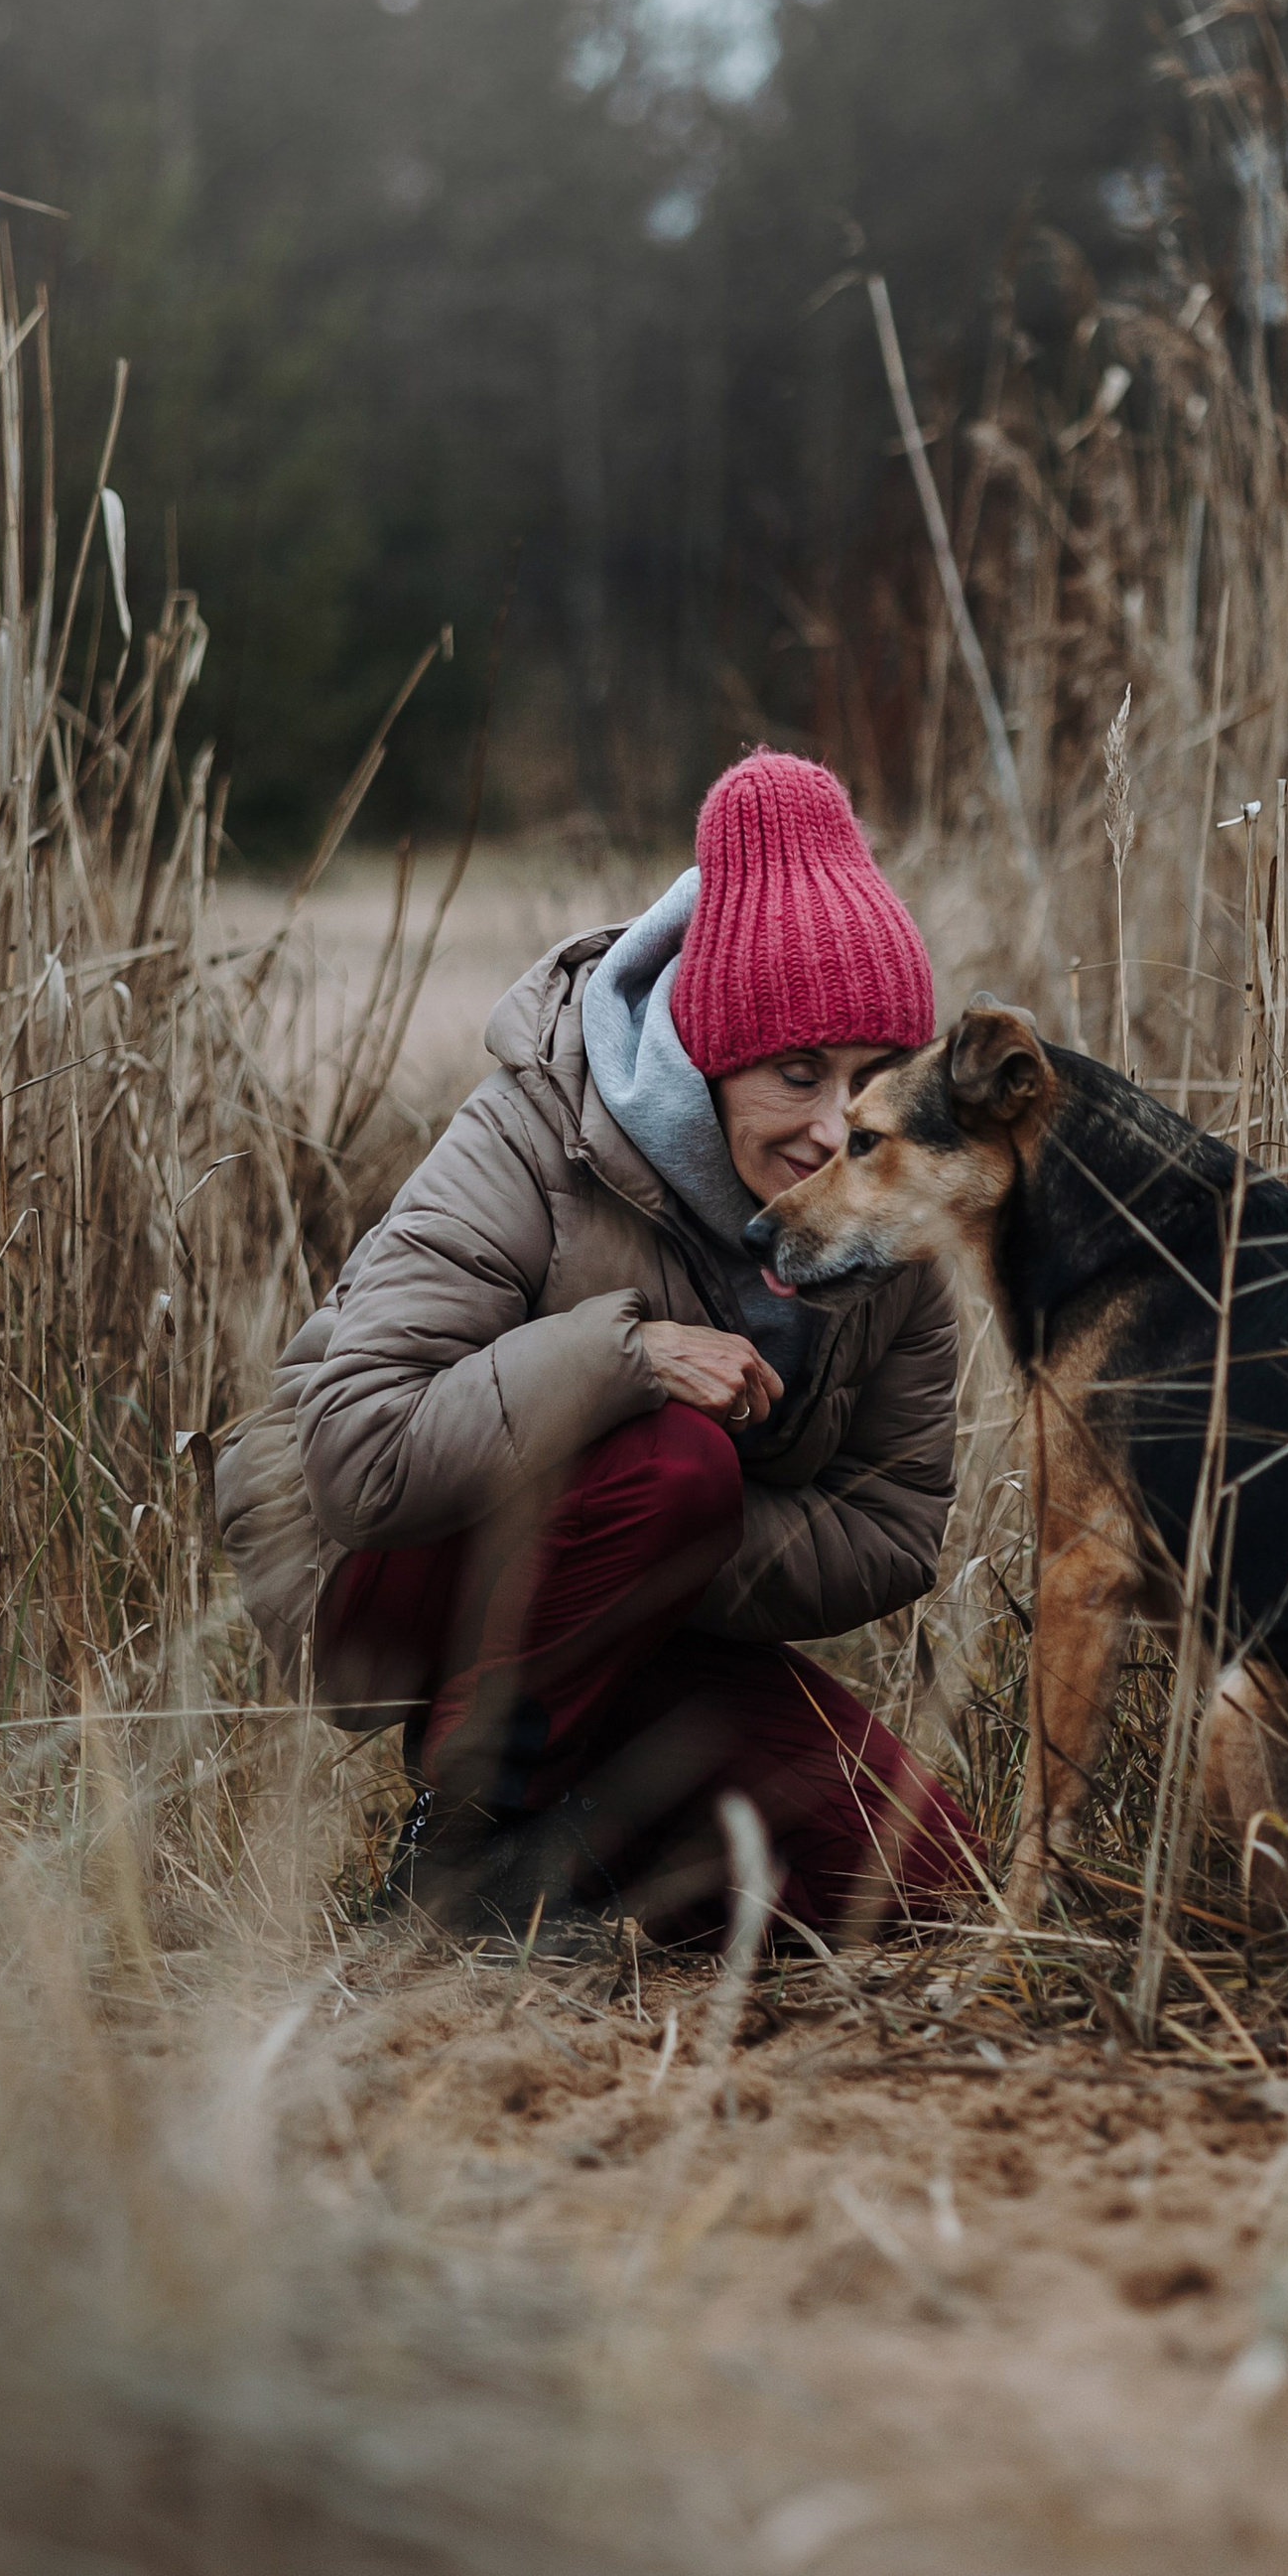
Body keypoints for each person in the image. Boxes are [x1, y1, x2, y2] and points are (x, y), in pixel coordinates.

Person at [214, 751, 977, 1943]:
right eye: (794, 1073)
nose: (835, 1126)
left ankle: (576, 1852)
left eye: (873, 1077)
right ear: (710, 1054)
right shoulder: (534, 1134)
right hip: (384, 1584)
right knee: (672, 1456)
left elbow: (890, 1527)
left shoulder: (886, 1222)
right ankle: (459, 1861)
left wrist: (664, 1555)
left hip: (646, 1609)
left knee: (925, 1886)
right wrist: (622, 1362)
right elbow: (358, 1453)